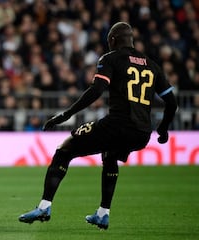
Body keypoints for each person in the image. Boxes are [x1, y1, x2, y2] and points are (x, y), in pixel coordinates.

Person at [18, 22, 177, 229]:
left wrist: (66, 114)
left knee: (64, 150)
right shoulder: (152, 65)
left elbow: (96, 90)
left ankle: (44, 207)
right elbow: (172, 103)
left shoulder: (111, 58)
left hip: (117, 125)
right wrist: (163, 129)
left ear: (112, 40)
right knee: (110, 155)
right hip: (142, 133)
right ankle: (103, 213)